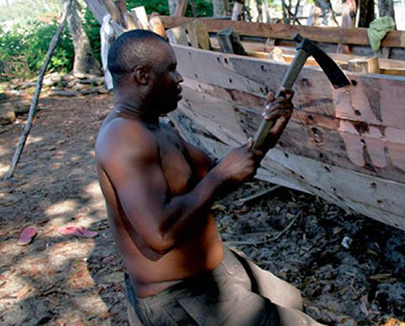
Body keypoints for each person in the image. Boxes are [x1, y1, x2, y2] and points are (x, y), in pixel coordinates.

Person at [95, 30, 322, 325]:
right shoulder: (124, 138)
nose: (180, 80)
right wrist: (219, 178)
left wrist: (267, 134)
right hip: (184, 298)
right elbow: (160, 236)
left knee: (291, 298)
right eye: (172, 70)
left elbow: (218, 173)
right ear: (142, 76)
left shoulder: (157, 128)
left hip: (215, 270)